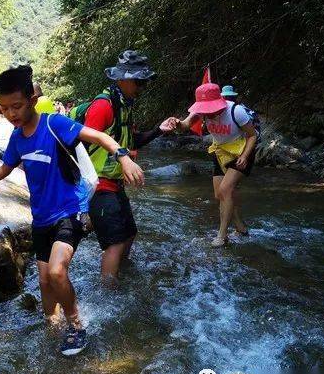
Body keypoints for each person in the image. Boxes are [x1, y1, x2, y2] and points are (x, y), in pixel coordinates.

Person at [0, 64, 145, 356]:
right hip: (41, 218)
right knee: (44, 282)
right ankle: (51, 325)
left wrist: (123, 158)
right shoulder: (17, 138)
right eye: (4, 109)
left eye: (16, 106)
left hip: (70, 212)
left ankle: (77, 325)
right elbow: (5, 168)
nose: (11, 114)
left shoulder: (55, 124)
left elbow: (100, 137)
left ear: (31, 99)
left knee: (56, 272)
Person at [78, 50, 178, 283]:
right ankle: (109, 296)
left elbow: (132, 141)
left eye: (144, 82)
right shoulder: (103, 106)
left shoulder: (124, 105)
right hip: (99, 185)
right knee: (114, 243)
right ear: (122, 79)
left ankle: (121, 275)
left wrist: (157, 130)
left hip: (115, 184)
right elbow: (80, 143)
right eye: (139, 82)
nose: (142, 87)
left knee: (129, 234)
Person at [177, 83, 257, 247]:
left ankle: (222, 236)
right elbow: (184, 125)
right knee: (219, 195)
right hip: (220, 151)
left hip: (241, 151)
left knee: (225, 189)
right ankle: (240, 226)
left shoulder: (236, 111)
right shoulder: (201, 111)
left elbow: (252, 135)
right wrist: (176, 123)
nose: (208, 113)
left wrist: (245, 156)